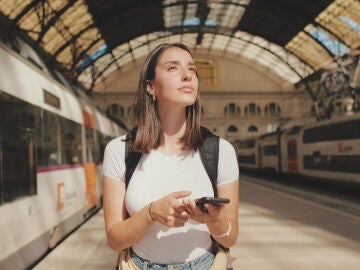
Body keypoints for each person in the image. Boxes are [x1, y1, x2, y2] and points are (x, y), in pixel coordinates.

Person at [102, 43, 239, 269]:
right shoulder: (120, 150)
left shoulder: (220, 151)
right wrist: (151, 213)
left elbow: (230, 238)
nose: (187, 76)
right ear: (150, 86)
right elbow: (115, 240)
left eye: (192, 70)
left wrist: (213, 219)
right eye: (173, 68)